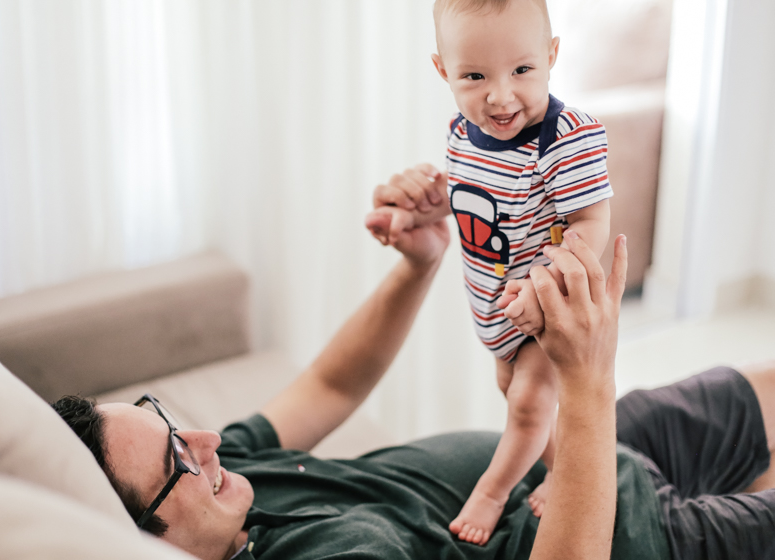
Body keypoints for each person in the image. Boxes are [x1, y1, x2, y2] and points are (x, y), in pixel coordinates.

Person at [53, 171, 775, 560]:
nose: (204, 442)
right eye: (179, 462)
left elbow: (330, 385)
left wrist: (419, 263)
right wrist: (586, 381)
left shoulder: (228, 483)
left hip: (575, 457)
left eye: (172, 426)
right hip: (627, 537)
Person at [364, 0, 613, 543]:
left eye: (522, 70)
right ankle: (556, 471)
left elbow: (591, 221)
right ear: (442, 71)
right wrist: (419, 211)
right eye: (474, 76)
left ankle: (493, 492)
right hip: (491, 307)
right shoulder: (462, 130)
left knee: (528, 403)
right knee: (514, 390)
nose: (500, 96)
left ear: (550, 56)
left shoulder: (564, 137)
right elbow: (471, 200)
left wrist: (545, 285)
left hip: (546, 306)